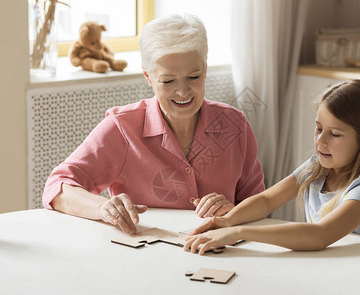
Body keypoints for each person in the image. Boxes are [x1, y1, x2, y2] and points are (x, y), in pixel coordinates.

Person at [42, 14, 265, 235]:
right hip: (142, 259)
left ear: (205, 70)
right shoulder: (122, 128)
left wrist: (234, 213)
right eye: (168, 81)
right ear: (148, 77)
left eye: (193, 77)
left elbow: (260, 207)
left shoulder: (234, 124)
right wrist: (102, 208)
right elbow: (57, 187)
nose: (183, 91)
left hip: (220, 258)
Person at [184, 79, 360, 255]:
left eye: (334, 134)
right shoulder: (317, 168)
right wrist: (226, 221)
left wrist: (238, 232)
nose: (320, 141)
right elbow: (267, 200)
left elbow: (320, 234)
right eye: (318, 129)